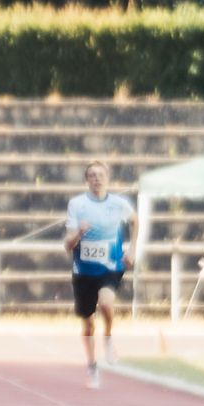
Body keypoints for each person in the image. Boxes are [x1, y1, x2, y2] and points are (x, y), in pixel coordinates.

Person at [65, 159, 135, 390]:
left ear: (107, 178)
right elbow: (68, 245)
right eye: (92, 175)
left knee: (106, 303)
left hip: (110, 266)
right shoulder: (77, 205)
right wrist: (79, 234)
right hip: (84, 271)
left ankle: (109, 337)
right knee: (87, 325)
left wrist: (132, 249)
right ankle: (92, 364)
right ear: (87, 180)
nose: (97, 178)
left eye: (101, 174)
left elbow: (135, 221)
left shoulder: (118, 204)